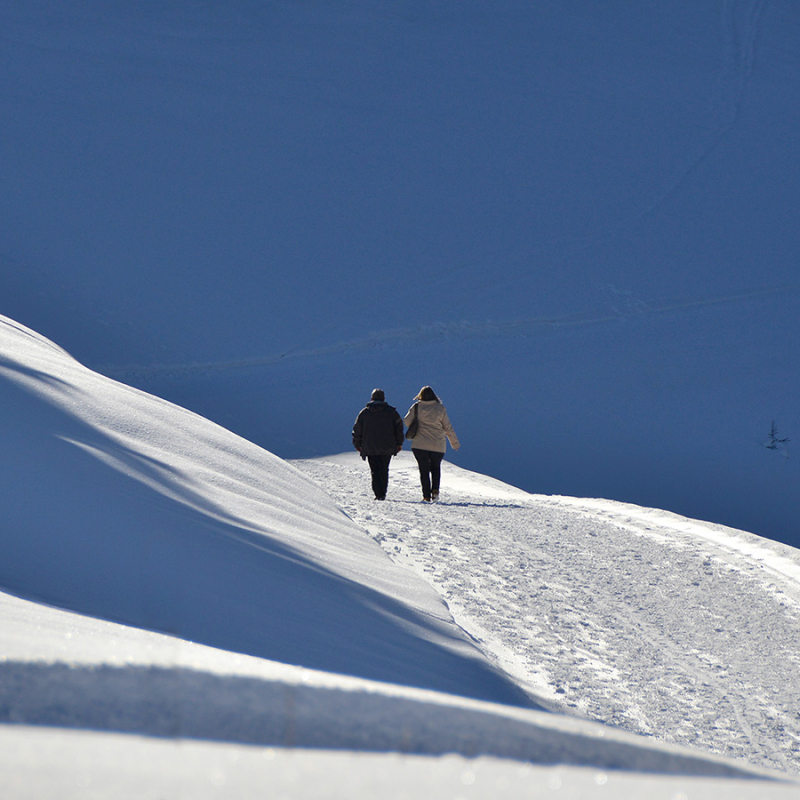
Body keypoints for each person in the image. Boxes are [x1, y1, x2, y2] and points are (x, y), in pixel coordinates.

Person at [404, 386, 460, 502]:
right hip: (438, 444)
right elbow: (448, 427)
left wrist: (417, 427)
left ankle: (426, 496)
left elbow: (406, 420)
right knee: (435, 467)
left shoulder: (417, 407)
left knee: (423, 470)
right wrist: (454, 443)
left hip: (419, 444)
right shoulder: (440, 408)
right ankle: (435, 490)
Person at [352, 388, 404, 500]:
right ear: (384, 398)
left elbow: (357, 429)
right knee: (384, 469)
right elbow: (399, 428)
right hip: (388, 446)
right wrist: (399, 443)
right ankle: (382, 493)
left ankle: (378, 494)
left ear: (372, 398)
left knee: (375, 471)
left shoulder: (364, 413)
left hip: (370, 447)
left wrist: (357, 444)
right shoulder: (392, 412)